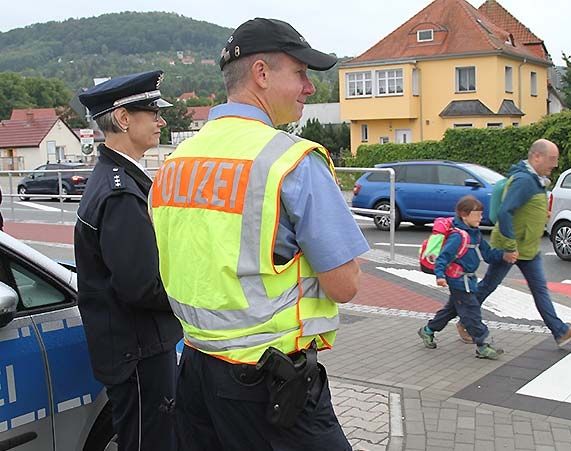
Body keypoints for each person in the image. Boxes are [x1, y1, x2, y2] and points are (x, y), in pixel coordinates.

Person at [150, 18, 369, 451]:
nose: (309, 87)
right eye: (301, 73)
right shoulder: (290, 160)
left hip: (195, 370)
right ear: (262, 75)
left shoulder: (176, 162)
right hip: (270, 383)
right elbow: (345, 285)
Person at [75, 71, 182, 451]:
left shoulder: (115, 179)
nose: (161, 120)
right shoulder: (120, 193)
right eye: (152, 111)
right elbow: (142, 286)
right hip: (139, 351)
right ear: (123, 119)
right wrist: (196, 297)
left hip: (133, 346)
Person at [461, 139, 571, 347]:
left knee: (539, 290)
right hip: (510, 246)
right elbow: (505, 211)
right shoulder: (525, 180)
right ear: (536, 156)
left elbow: (523, 209)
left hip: (527, 247)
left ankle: (560, 331)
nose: (554, 164)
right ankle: (462, 320)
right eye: (552, 159)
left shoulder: (535, 179)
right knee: (487, 286)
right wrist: (509, 246)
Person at [418, 196, 517, 359]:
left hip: (469, 281)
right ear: (464, 215)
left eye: (481, 214)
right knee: (471, 313)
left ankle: (427, 330)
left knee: (451, 310)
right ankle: (483, 345)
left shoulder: (475, 235)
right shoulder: (459, 236)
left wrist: (504, 256)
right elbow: (443, 257)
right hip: (458, 281)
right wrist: (440, 276)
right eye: (477, 214)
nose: (480, 218)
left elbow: (488, 255)